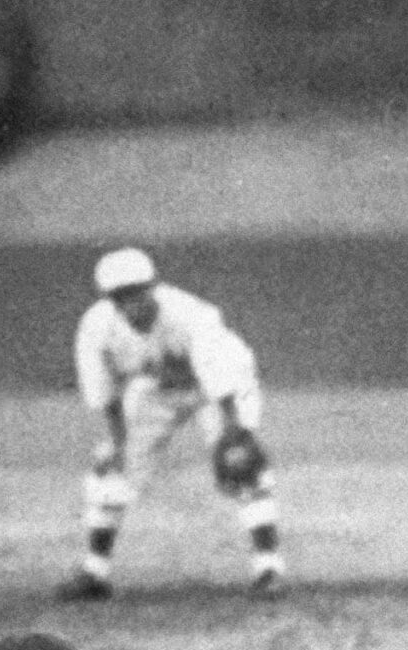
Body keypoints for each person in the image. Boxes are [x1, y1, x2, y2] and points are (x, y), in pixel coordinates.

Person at [56, 246, 286, 600]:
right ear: (111, 301)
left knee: (243, 464)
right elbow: (106, 394)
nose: (133, 302)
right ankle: (94, 573)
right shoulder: (96, 327)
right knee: (109, 470)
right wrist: (119, 445)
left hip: (221, 387)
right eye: (122, 296)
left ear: (153, 287)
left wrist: (235, 432)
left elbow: (220, 378)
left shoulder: (191, 314)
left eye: (138, 291)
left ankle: (269, 568)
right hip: (157, 389)